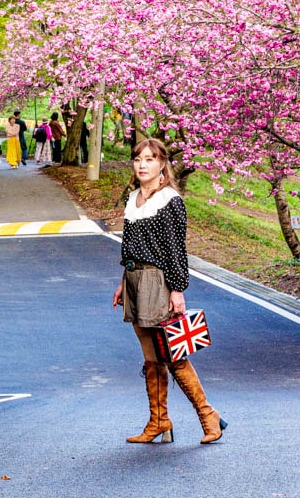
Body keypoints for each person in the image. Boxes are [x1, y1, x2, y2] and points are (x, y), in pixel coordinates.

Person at [112, 138, 226, 445]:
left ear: (162, 164)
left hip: (158, 282)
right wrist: (123, 282)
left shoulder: (170, 200)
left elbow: (177, 250)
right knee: (151, 357)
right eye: (138, 159)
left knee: (171, 353)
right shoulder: (133, 197)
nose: (143, 165)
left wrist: (177, 290)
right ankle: (159, 421)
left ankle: (207, 414)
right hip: (135, 280)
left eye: (150, 159)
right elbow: (130, 247)